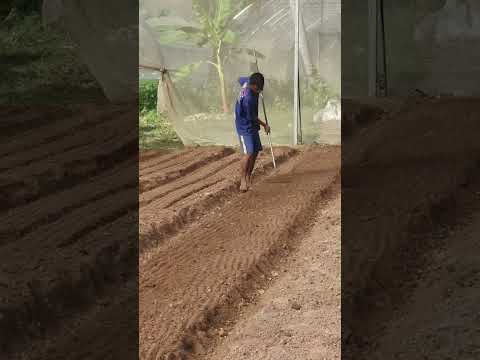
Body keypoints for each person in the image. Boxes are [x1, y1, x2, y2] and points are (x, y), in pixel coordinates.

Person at [234, 72, 271, 192]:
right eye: (258, 89)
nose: (260, 90)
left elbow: (239, 78)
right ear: (253, 85)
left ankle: (248, 176)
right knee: (248, 153)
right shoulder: (248, 100)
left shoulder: (247, 81)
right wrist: (265, 125)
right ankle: (242, 180)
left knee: (255, 151)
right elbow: (252, 117)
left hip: (252, 123)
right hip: (244, 125)